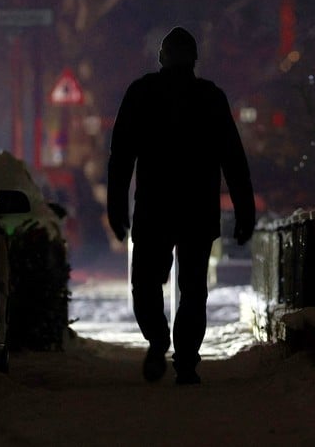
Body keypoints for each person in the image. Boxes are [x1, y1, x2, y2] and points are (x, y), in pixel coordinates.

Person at [107, 26, 256, 385]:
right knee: (193, 288)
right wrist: (244, 210)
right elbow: (233, 159)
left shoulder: (141, 93)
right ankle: (186, 361)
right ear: (194, 59)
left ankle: (157, 338)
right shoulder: (210, 98)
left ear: (161, 58)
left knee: (145, 282)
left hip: (153, 209)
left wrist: (116, 208)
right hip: (196, 210)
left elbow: (121, 157)